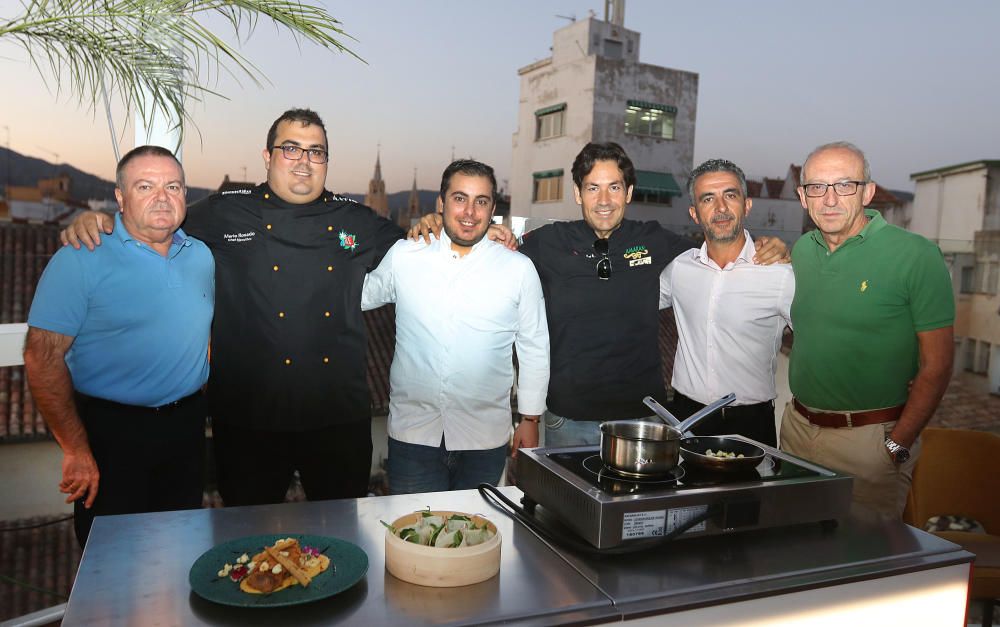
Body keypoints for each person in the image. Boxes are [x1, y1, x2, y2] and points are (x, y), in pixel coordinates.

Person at [61, 109, 405, 506]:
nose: (304, 161)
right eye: (291, 148)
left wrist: (438, 223)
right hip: (247, 420)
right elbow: (154, 223)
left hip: (338, 417)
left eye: (316, 152)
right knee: (246, 542)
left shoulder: (357, 219)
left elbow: (418, 254)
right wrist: (102, 219)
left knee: (344, 534)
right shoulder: (223, 211)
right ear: (267, 156)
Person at [514, 143, 789, 447]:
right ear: (578, 193)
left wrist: (768, 245)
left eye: (614, 187)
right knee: (568, 496)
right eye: (593, 188)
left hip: (643, 422)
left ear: (628, 193)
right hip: (568, 420)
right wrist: (495, 236)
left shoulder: (654, 239)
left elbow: (717, 249)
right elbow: (500, 264)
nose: (604, 200)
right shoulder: (547, 242)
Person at [24, 145, 214, 546]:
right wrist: (75, 448)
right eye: (145, 186)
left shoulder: (200, 256)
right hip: (113, 435)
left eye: (173, 186)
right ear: (120, 198)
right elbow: (41, 357)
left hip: (186, 428)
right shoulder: (81, 257)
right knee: (111, 565)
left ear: (185, 194)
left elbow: (202, 330)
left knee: (180, 547)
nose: (162, 197)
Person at [781, 141, 954, 519]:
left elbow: (938, 365)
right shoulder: (802, 251)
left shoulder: (916, 256)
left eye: (845, 185)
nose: (829, 199)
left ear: (868, 192)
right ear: (802, 197)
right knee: (792, 545)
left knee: (860, 562)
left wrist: (896, 445)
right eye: (816, 187)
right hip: (795, 432)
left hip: (869, 443)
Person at [361, 160, 549, 493]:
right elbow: (357, 296)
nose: (470, 212)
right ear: (441, 203)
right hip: (413, 436)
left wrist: (530, 419)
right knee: (415, 536)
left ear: (493, 208)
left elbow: (534, 347)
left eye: (481, 201)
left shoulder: (518, 269)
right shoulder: (406, 254)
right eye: (460, 198)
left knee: (476, 537)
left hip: (485, 437)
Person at [659, 159, 793, 447]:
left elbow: (821, 341)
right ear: (695, 213)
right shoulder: (680, 268)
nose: (720, 208)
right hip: (686, 418)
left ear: (746, 205)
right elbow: (629, 302)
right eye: (708, 198)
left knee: (750, 495)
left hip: (751, 424)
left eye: (730, 195)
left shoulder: (780, 275)